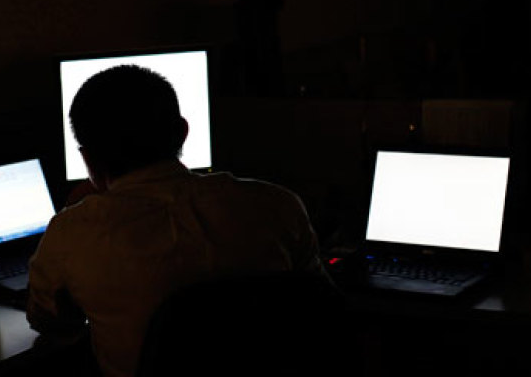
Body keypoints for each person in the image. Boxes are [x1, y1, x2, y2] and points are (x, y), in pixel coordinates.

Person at [27, 65, 327, 377]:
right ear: (183, 131)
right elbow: (321, 303)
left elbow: (49, 321)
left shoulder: (72, 233)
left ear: (87, 158)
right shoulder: (278, 204)